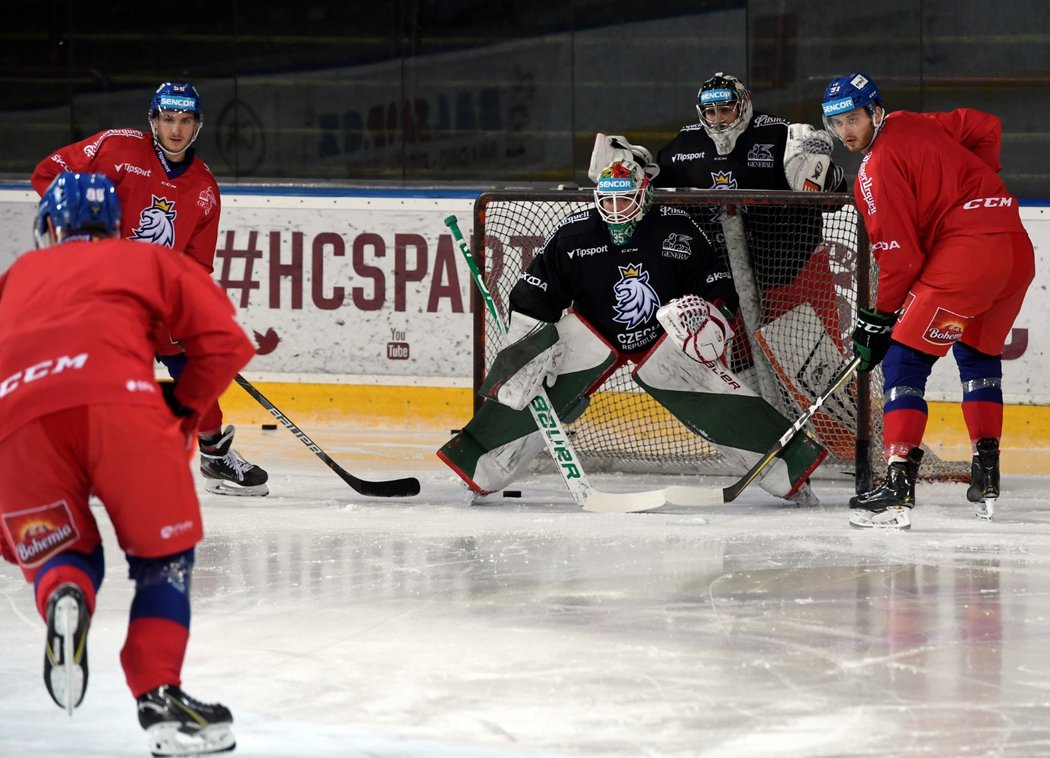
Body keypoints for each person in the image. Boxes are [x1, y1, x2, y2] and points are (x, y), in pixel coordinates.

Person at [0, 172, 255, 755]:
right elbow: (226, 344)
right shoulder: (147, 260)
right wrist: (185, 411)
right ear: (115, 225)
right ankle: (159, 697)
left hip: (21, 422)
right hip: (124, 411)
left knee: (61, 550)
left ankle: (64, 589)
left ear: (48, 228)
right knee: (163, 562)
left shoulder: (14, 278)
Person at [439, 159, 827, 503]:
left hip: (666, 336)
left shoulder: (677, 228)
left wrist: (712, 315)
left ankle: (788, 472)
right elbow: (533, 293)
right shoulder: (575, 236)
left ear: (643, 197)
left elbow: (717, 282)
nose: (614, 209)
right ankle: (479, 466)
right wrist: (526, 344)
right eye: (606, 201)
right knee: (536, 382)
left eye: (623, 200)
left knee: (713, 395)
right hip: (595, 333)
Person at [31, 81, 268, 496]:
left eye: (185, 120)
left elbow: (195, 263)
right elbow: (48, 174)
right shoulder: (115, 148)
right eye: (167, 119)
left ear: (197, 125)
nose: (175, 129)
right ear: (154, 121)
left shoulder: (204, 188)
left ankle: (214, 457)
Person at [819, 72, 1035, 529]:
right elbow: (985, 126)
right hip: (1014, 247)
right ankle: (987, 471)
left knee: (904, 361)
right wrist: (976, 185)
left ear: (875, 111)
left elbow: (900, 259)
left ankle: (898, 485)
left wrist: (877, 320)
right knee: (977, 353)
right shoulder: (914, 121)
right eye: (836, 123)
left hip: (970, 256)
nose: (846, 132)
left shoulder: (872, 172)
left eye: (853, 118)